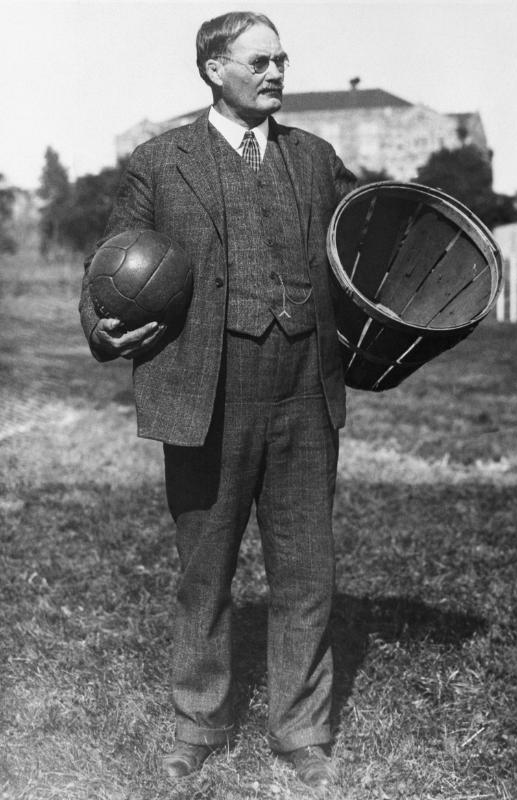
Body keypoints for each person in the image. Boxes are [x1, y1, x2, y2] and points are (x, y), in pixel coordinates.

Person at [77, 12, 357, 788]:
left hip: (305, 389)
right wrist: (99, 327)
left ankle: (302, 730)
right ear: (213, 69)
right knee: (205, 570)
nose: (276, 73)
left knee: (307, 570)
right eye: (260, 61)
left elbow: (364, 246)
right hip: (207, 391)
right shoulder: (160, 162)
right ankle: (197, 721)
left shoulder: (316, 157)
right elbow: (110, 262)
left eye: (282, 60)